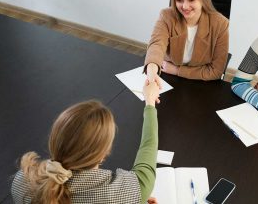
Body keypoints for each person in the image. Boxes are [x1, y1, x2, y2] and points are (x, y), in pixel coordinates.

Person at [11, 81, 160, 204]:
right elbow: (149, 146)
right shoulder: (127, 192)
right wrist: (150, 102)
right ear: (103, 155)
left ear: (55, 139)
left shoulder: (22, 181)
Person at [144, 0, 229, 84]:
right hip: (167, 75)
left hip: (200, 81)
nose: (184, 6)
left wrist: (177, 70)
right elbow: (156, 45)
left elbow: (215, 71)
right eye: (179, 0)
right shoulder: (166, 16)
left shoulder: (220, 24)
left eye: (191, 0)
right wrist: (151, 71)